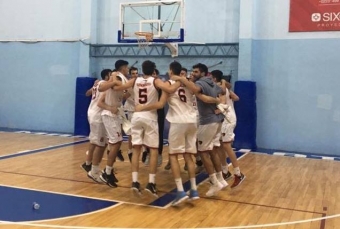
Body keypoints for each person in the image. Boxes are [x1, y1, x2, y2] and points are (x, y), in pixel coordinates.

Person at [136, 61, 202, 205]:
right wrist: (184, 80)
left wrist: (143, 107)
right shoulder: (188, 82)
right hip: (192, 121)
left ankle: (180, 191)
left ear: (171, 71)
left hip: (178, 122)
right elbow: (197, 90)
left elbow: (160, 105)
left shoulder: (169, 84)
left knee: (173, 156)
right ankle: (194, 189)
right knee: (189, 156)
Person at [111, 60, 176, 196]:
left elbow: (118, 88)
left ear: (142, 69)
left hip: (136, 116)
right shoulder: (155, 81)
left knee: (136, 150)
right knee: (153, 150)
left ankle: (135, 181)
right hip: (150, 117)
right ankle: (151, 183)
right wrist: (179, 80)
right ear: (153, 71)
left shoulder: (135, 80)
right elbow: (169, 90)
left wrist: (113, 78)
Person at [170, 63, 228, 197]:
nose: (193, 73)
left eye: (195, 71)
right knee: (212, 149)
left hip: (208, 121)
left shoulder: (201, 83)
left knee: (202, 152)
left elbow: (197, 91)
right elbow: (223, 91)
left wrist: (182, 79)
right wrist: (217, 100)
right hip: (218, 119)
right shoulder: (212, 82)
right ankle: (221, 178)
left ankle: (214, 182)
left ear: (203, 73)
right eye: (193, 71)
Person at [95, 60, 129, 188]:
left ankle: (108, 171)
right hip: (109, 115)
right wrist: (115, 81)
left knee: (117, 143)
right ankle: (106, 172)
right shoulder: (112, 80)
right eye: (127, 67)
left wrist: (128, 92)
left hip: (116, 114)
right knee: (115, 144)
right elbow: (102, 89)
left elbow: (120, 93)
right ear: (123, 68)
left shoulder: (121, 79)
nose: (128, 69)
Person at [211, 70, 246, 188]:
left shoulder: (220, 89)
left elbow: (223, 104)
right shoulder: (223, 88)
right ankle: (225, 171)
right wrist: (228, 90)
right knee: (220, 145)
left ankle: (238, 173)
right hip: (225, 118)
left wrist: (210, 112)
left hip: (227, 119)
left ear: (214, 78)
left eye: (211, 77)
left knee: (226, 146)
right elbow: (236, 98)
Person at [81, 69, 111, 174]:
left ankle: (88, 163)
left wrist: (94, 87)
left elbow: (87, 93)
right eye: (111, 75)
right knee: (100, 142)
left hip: (91, 112)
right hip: (97, 115)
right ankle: (94, 168)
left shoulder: (97, 84)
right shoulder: (105, 85)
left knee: (94, 140)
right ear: (107, 76)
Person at [144, 68, 165, 167]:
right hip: (148, 112)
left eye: (154, 74)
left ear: (157, 75)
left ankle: (159, 155)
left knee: (159, 134)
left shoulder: (160, 84)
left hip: (159, 112)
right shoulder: (145, 85)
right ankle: (148, 154)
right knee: (147, 134)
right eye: (151, 74)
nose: (153, 76)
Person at [123, 66, 139, 162]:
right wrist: (129, 93)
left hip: (140, 110)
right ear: (130, 74)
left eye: (136, 73)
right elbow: (123, 97)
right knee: (131, 132)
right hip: (130, 109)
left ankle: (144, 150)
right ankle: (130, 150)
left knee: (141, 131)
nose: (135, 75)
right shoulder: (126, 84)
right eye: (133, 73)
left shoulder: (140, 83)